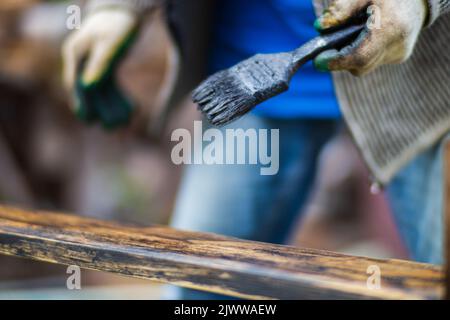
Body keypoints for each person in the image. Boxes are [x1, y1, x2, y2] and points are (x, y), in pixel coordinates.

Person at [62, 0, 450, 300]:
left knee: (437, 280)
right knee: (197, 288)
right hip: (250, 75)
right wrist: (115, 9)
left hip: (419, 87)